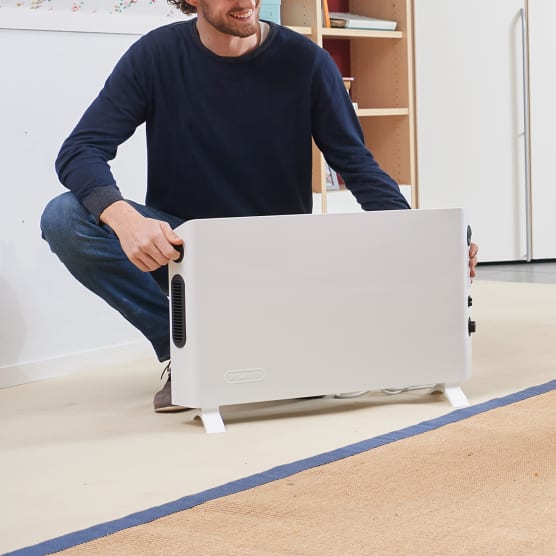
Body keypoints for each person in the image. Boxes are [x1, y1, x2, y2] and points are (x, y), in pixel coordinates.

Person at [41, 0, 479, 413]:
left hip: (280, 255)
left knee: (405, 256)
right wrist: (124, 219)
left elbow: (359, 167)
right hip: (187, 251)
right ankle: (186, 352)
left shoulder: (307, 62)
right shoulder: (155, 56)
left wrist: (429, 243)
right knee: (65, 218)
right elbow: (81, 149)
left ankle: (267, 345)